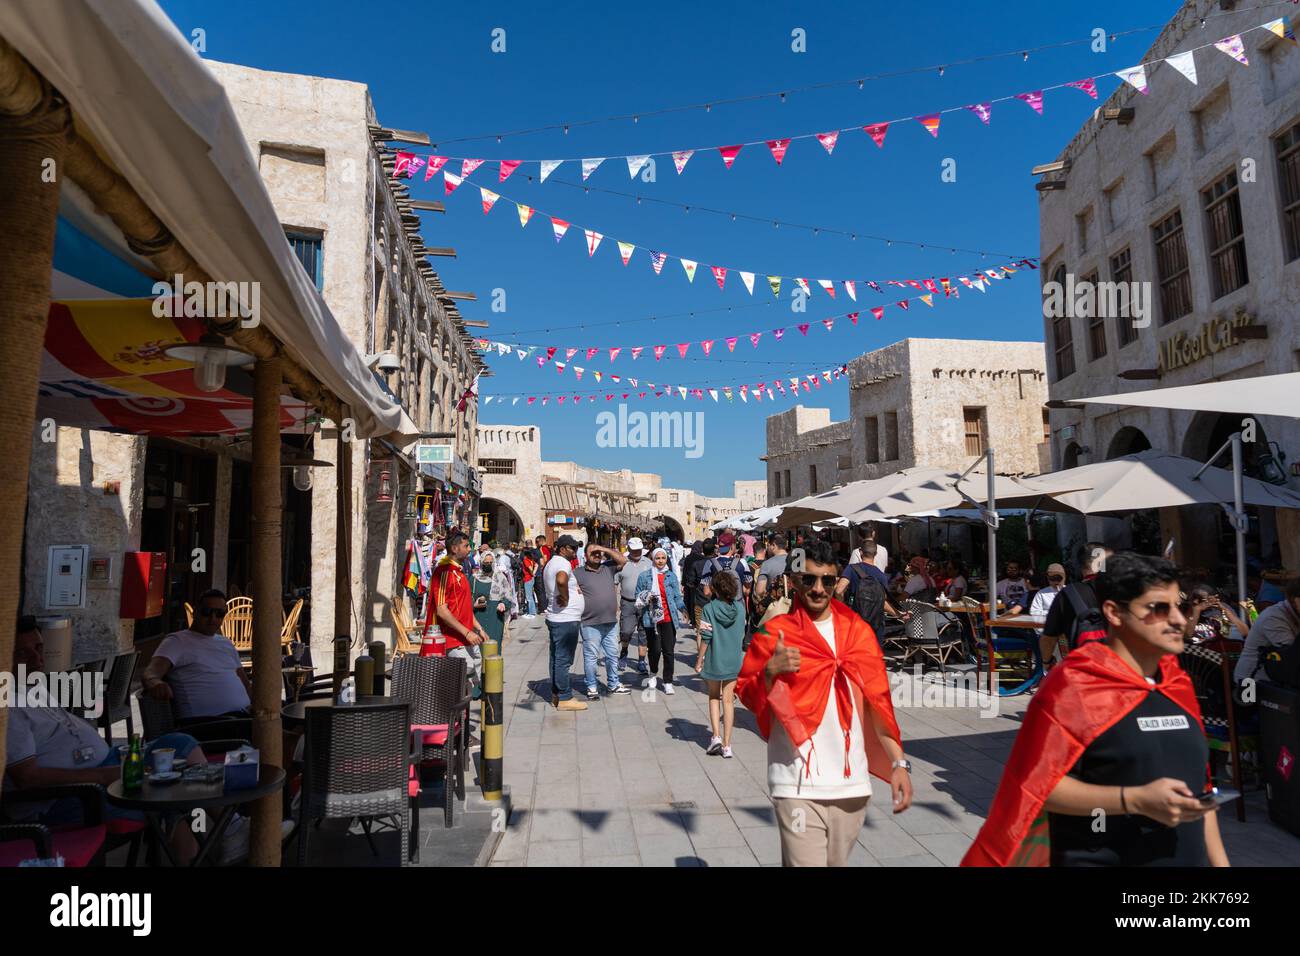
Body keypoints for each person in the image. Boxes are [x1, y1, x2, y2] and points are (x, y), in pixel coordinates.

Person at [963, 552, 1229, 867]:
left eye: (1179, 607)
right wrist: (1133, 800)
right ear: (1114, 612)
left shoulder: (1177, 682)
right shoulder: (1075, 685)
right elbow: (1036, 788)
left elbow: (1200, 788)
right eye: (1158, 608)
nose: (1178, 620)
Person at [737, 539, 913, 867]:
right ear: (795, 580)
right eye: (809, 579)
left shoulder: (858, 634)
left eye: (828, 580)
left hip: (850, 786)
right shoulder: (774, 634)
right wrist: (771, 673)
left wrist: (898, 764)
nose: (819, 589)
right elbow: (746, 694)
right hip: (796, 782)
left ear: (836, 581)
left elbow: (878, 704)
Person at [8, 618, 209, 863]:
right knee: (169, 792)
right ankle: (200, 852)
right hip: (70, 797)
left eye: (39, 648)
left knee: (179, 742)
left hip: (106, 765)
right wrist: (104, 776)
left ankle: (228, 831)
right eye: (21, 653)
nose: (37, 660)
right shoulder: (6, 705)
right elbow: (27, 778)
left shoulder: (30, 686)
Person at [142, 589, 251, 721]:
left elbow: (245, 683)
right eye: (207, 612)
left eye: (219, 614)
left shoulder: (226, 643)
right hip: (205, 724)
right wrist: (155, 682)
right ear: (195, 611)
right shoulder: (176, 641)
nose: (213, 618)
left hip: (243, 717)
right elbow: (151, 672)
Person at [425, 530, 489, 697]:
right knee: (458, 686)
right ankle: (455, 720)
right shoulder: (444, 572)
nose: (469, 549)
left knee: (470, 685)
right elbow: (442, 610)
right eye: (466, 546)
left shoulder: (459, 572)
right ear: (454, 548)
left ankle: (462, 719)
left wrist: (478, 628)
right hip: (454, 640)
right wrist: (466, 632)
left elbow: (464, 608)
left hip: (467, 638)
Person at [695, 570, 746, 757]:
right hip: (733, 658)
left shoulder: (709, 609)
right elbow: (742, 631)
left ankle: (715, 736)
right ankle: (727, 745)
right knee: (728, 700)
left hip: (715, 658)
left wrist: (699, 659)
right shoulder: (740, 609)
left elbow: (706, 637)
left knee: (713, 696)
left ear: (716, 589)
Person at [574, 543, 630, 699]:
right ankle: (592, 686)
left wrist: (604, 549)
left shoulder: (607, 568)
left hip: (610, 621)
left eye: (599, 553)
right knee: (591, 657)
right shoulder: (577, 573)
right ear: (585, 555)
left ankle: (613, 683)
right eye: (593, 552)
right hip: (590, 622)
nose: (597, 555)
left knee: (612, 655)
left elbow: (623, 561)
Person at [1040, 544, 1113, 657]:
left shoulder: (1068, 593)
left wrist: (1046, 662)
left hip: (1085, 667)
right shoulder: (1125, 589)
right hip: (1125, 667)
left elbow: (1048, 639)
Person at [635, 547, 689, 693]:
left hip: (668, 618)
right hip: (651, 619)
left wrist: (683, 609)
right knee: (655, 650)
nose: (660, 561)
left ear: (666, 559)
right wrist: (647, 596)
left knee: (668, 651)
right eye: (657, 558)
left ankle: (667, 681)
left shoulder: (671, 576)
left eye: (663, 558)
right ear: (653, 559)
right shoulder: (644, 576)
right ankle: (653, 673)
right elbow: (638, 596)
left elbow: (677, 597)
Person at [544, 535, 587, 711]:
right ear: (562, 549)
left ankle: (556, 693)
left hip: (557, 617)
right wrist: (565, 596)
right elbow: (561, 580)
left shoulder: (552, 563)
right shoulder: (563, 563)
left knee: (556, 656)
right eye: (572, 548)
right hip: (565, 619)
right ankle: (564, 697)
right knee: (563, 658)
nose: (575, 552)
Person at [1234, 577, 1300, 684]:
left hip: (1278, 677)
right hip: (1252, 680)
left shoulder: (1293, 614)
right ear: (1295, 601)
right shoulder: (1273, 617)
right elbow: (1292, 653)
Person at [616, 537, 655, 676]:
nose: (637, 552)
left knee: (643, 632)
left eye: (639, 550)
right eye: (634, 550)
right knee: (626, 631)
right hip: (627, 602)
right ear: (629, 550)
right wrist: (615, 603)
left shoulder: (649, 563)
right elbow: (615, 583)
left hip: (644, 603)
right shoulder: (622, 563)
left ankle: (641, 661)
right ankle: (624, 651)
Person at [471, 549, 515, 656]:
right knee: (479, 652)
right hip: (478, 620)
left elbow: (509, 597)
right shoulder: (474, 579)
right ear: (481, 562)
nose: (488, 565)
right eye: (486, 563)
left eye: (491, 563)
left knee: (494, 651)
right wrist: (474, 604)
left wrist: (503, 603)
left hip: (495, 620)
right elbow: (466, 599)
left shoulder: (500, 578)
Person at [1031, 563, 1069, 666]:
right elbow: (1034, 613)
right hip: (1046, 631)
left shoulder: (1070, 592)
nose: (1056, 582)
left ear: (1064, 578)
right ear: (1048, 579)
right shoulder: (1041, 594)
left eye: (1059, 578)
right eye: (1052, 579)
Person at [684, 538, 716, 631]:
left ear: (702, 549)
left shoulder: (696, 564)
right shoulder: (718, 563)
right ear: (714, 549)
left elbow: (690, 582)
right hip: (715, 601)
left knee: (700, 631)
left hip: (700, 600)